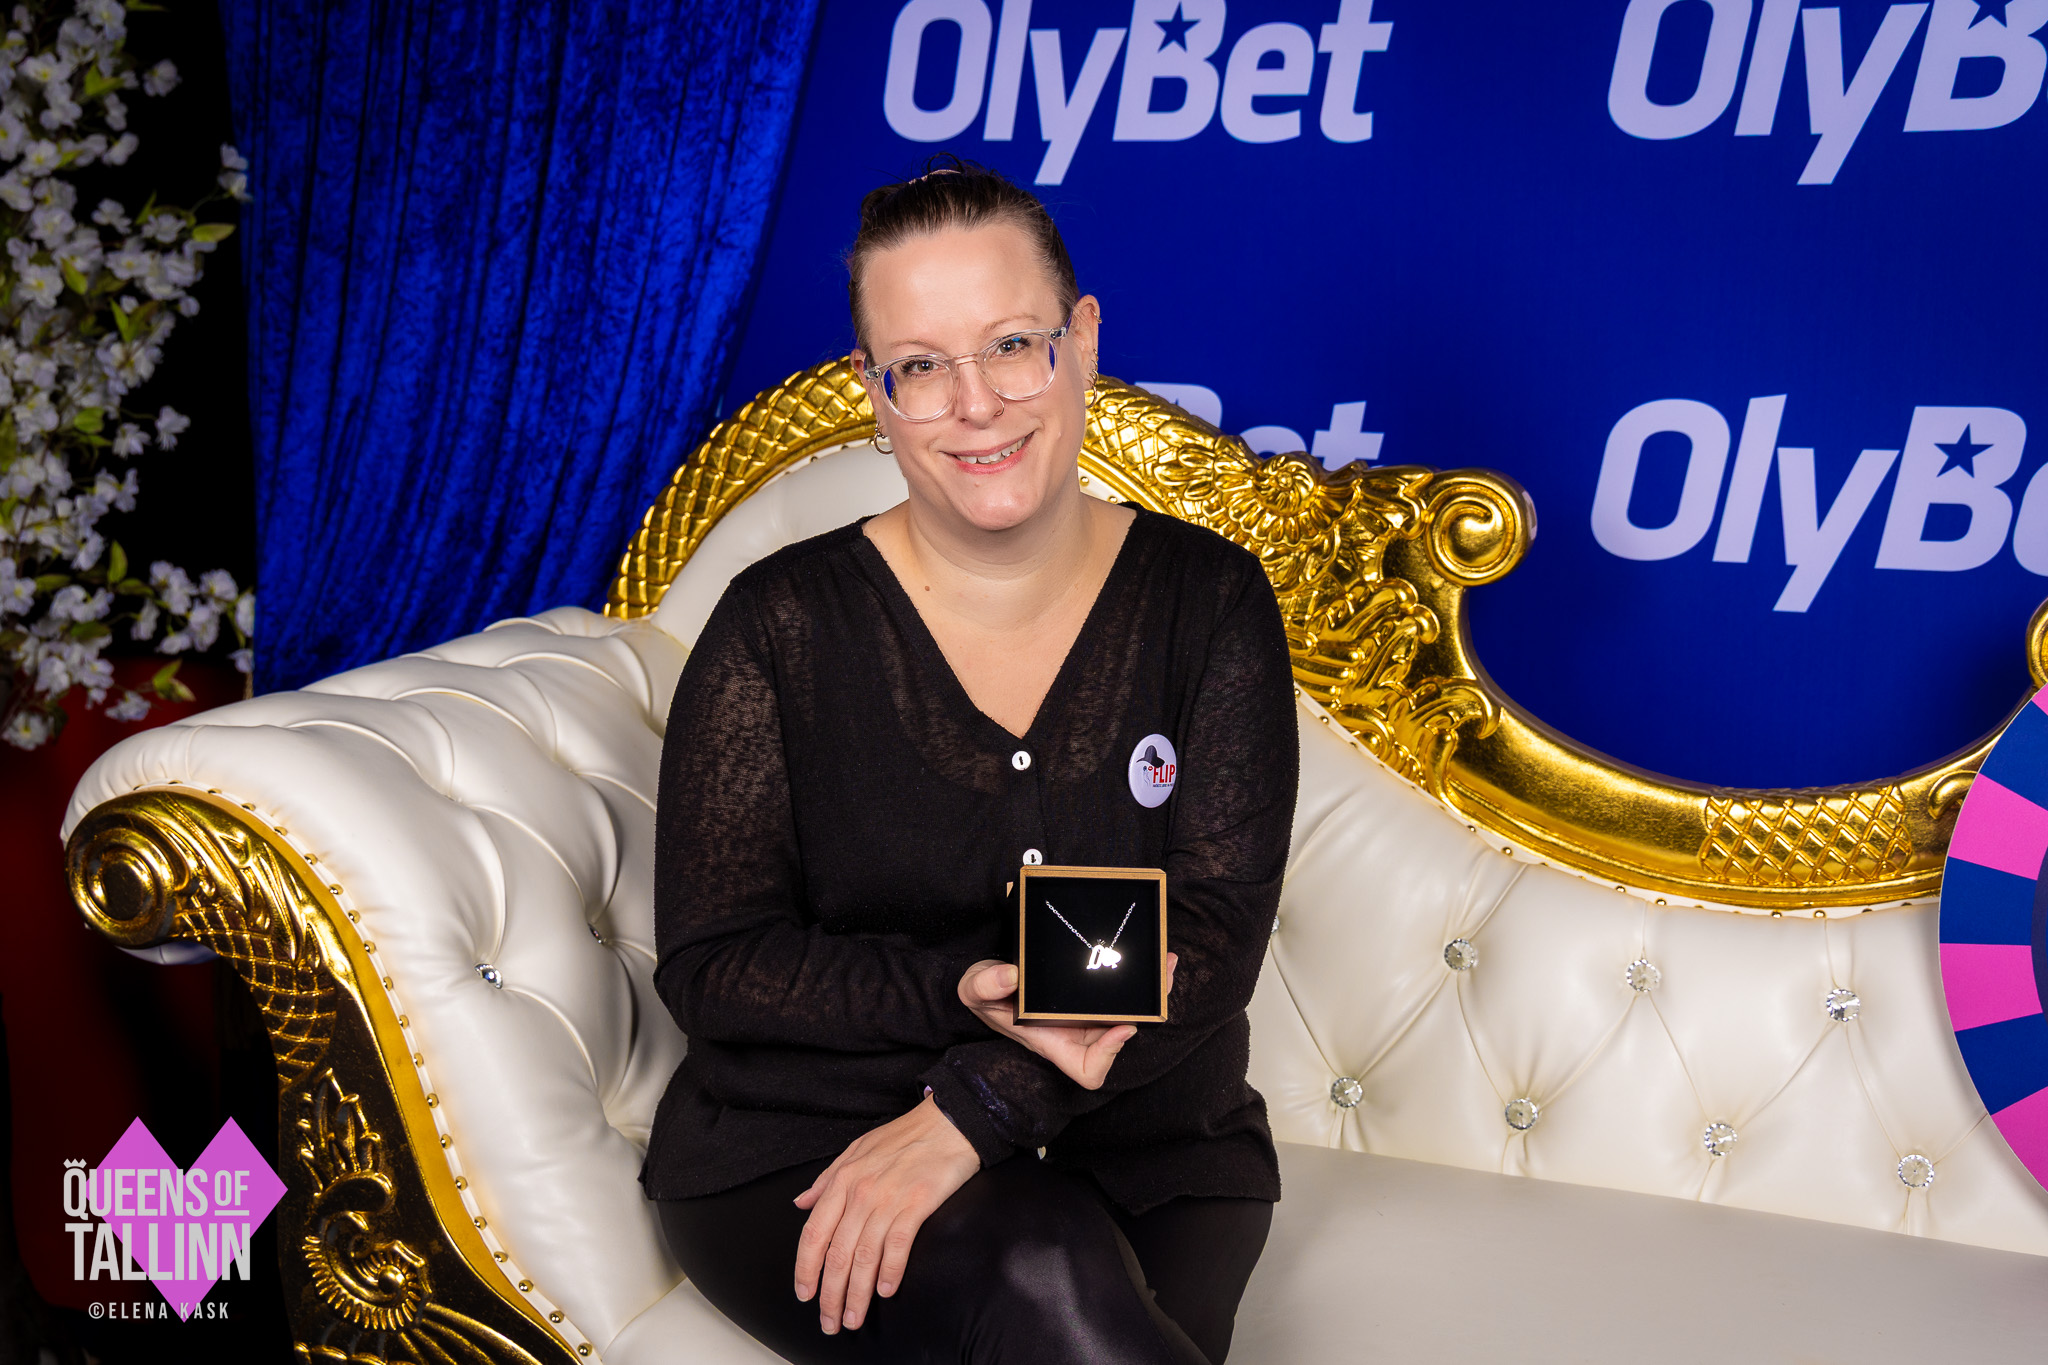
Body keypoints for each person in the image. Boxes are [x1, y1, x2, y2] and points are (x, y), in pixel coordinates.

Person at [640, 159, 1298, 1365]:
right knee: (1043, 1271)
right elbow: (715, 965)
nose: (975, 404)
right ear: (873, 392)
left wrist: (981, 1106)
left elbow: (1209, 939)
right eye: (921, 366)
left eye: (1010, 346)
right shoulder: (775, 625)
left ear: (1080, 340)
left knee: (1085, 1297)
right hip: (814, 1138)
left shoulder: (1208, 600)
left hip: (1147, 1146)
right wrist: (961, 990)